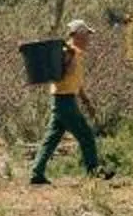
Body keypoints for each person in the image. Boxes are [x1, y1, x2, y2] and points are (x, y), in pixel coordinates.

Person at [30, 19, 99, 183]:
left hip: (64, 99)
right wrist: (69, 58)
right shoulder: (66, 52)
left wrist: (86, 102)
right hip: (64, 100)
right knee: (87, 136)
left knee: (51, 139)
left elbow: (77, 83)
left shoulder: (77, 54)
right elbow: (60, 74)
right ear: (78, 35)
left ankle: (36, 173)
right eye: (87, 35)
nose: (89, 39)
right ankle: (94, 171)